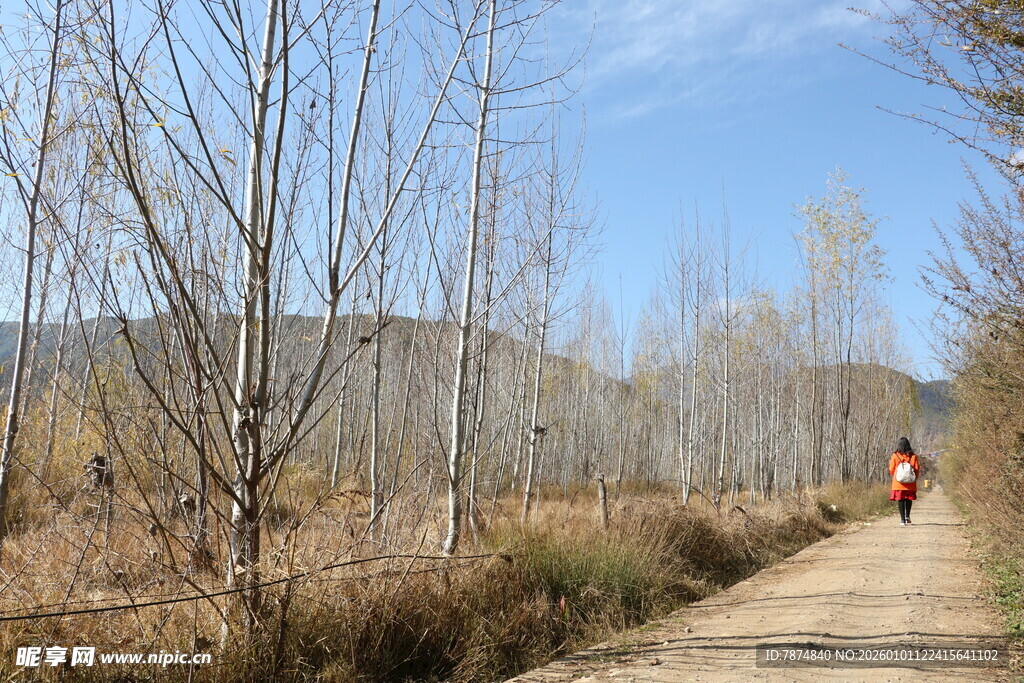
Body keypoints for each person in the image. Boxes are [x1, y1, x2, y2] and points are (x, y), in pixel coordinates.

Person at [889, 437, 921, 526]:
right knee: (908, 500)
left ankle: (902, 520)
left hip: (898, 483)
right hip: (910, 483)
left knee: (901, 500)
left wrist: (896, 476)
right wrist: (914, 479)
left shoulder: (895, 456)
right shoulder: (913, 456)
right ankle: (908, 516)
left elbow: (891, 469)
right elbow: (917, 469)